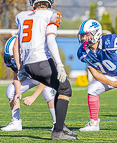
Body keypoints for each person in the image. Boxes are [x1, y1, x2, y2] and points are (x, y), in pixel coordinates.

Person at [13, 0, 77, 140]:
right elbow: (50, 40)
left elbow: (17, 43)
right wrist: (59, 64)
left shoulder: (22, 16)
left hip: (29, 64)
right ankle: (58, 131)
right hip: (41, 61)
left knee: (58, 87)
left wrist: (21, 67)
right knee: (65, 89)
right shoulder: (50, 14)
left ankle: (59, 125)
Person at [1, 36, 56, 132]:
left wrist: (33, 97)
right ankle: (16, 123)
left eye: (14, 56)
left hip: (47, 78)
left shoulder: (36, 57)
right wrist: (18, 92)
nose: (12, 59)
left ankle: (57, 123)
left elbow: (46, 79)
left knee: (47, 92)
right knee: (11, 90)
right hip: (31, 78)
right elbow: (16, 76)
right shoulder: (16, 59)